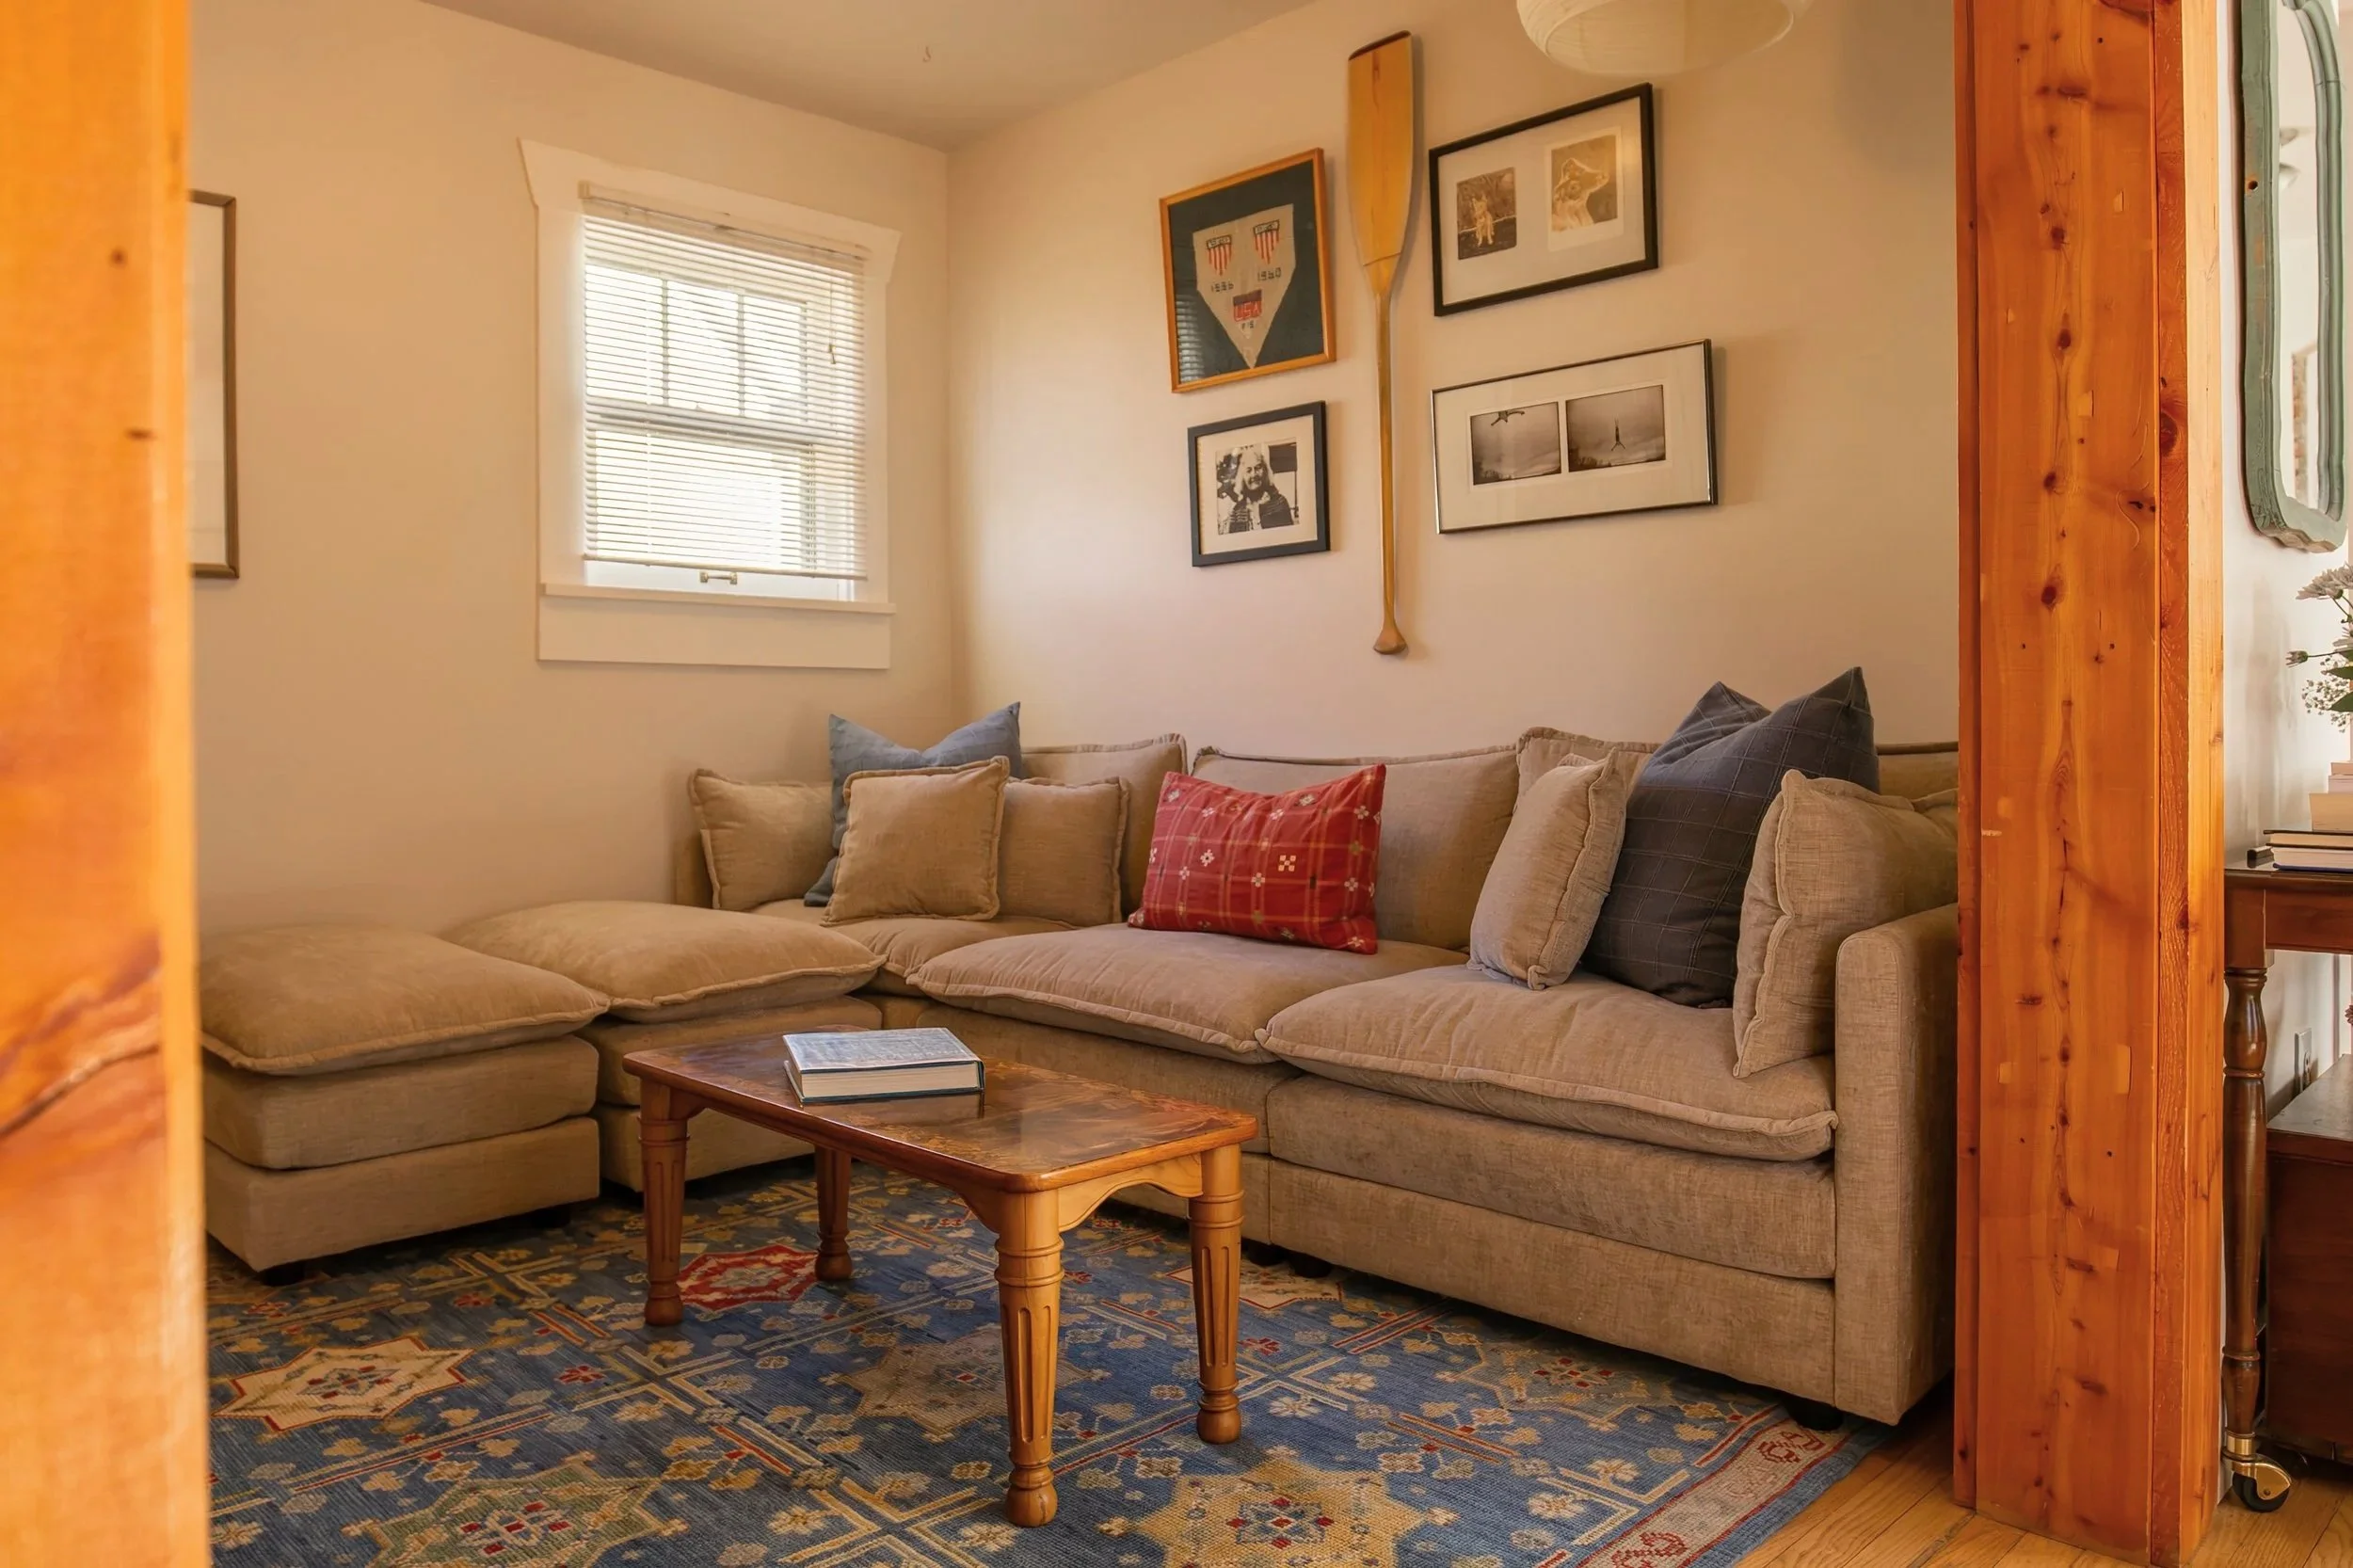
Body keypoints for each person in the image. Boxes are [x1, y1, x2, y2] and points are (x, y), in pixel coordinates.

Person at [1220, 445, 1294, 534]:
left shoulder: (1279, 502)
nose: (1254, 474)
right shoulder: (1237, 511)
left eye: (1258, 468)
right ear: (1242, 477)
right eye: (1248, 470)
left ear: (1265, 471)